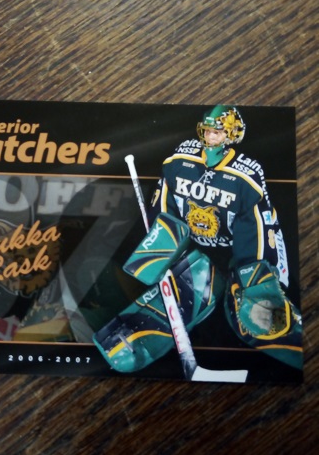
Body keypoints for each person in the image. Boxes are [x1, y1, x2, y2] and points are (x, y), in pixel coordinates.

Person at [93, 106, 302, 374]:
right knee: (191, 283)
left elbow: (257, 225)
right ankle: (127, 341)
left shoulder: (246, 177)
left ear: (231, 134)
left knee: (258, 316)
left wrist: (254, 275)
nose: (211, 136)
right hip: (193, 243)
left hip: (240, 247)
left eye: (218, 132)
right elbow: (164, 207)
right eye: (207, 131)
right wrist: (159, 249)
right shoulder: (179, 161)